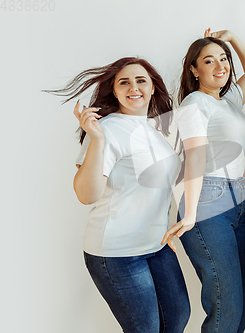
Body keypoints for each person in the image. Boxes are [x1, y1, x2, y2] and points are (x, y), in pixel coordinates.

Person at [46, 57, 190, 333]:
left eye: (141, 81)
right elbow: (87, 195)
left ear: (152, 89)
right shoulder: (107, 129)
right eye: (124, 82)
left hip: (156, 246)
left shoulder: (155, 128)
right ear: (114, 90)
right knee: (145, 328)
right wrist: (97, 140)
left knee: (177, 317)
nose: (133, 87)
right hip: (117, 252)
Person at [162, 29, 245, 333]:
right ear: (194, 70)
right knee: (226, 300)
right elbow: (195, 158)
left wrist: (232, 38)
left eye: (224, 59)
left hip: (237, 202)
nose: (221, 66)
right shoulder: (194, 104)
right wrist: (191, 213)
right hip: (207, 199)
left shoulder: (228, 99)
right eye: (209, 60)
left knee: (243, 300)